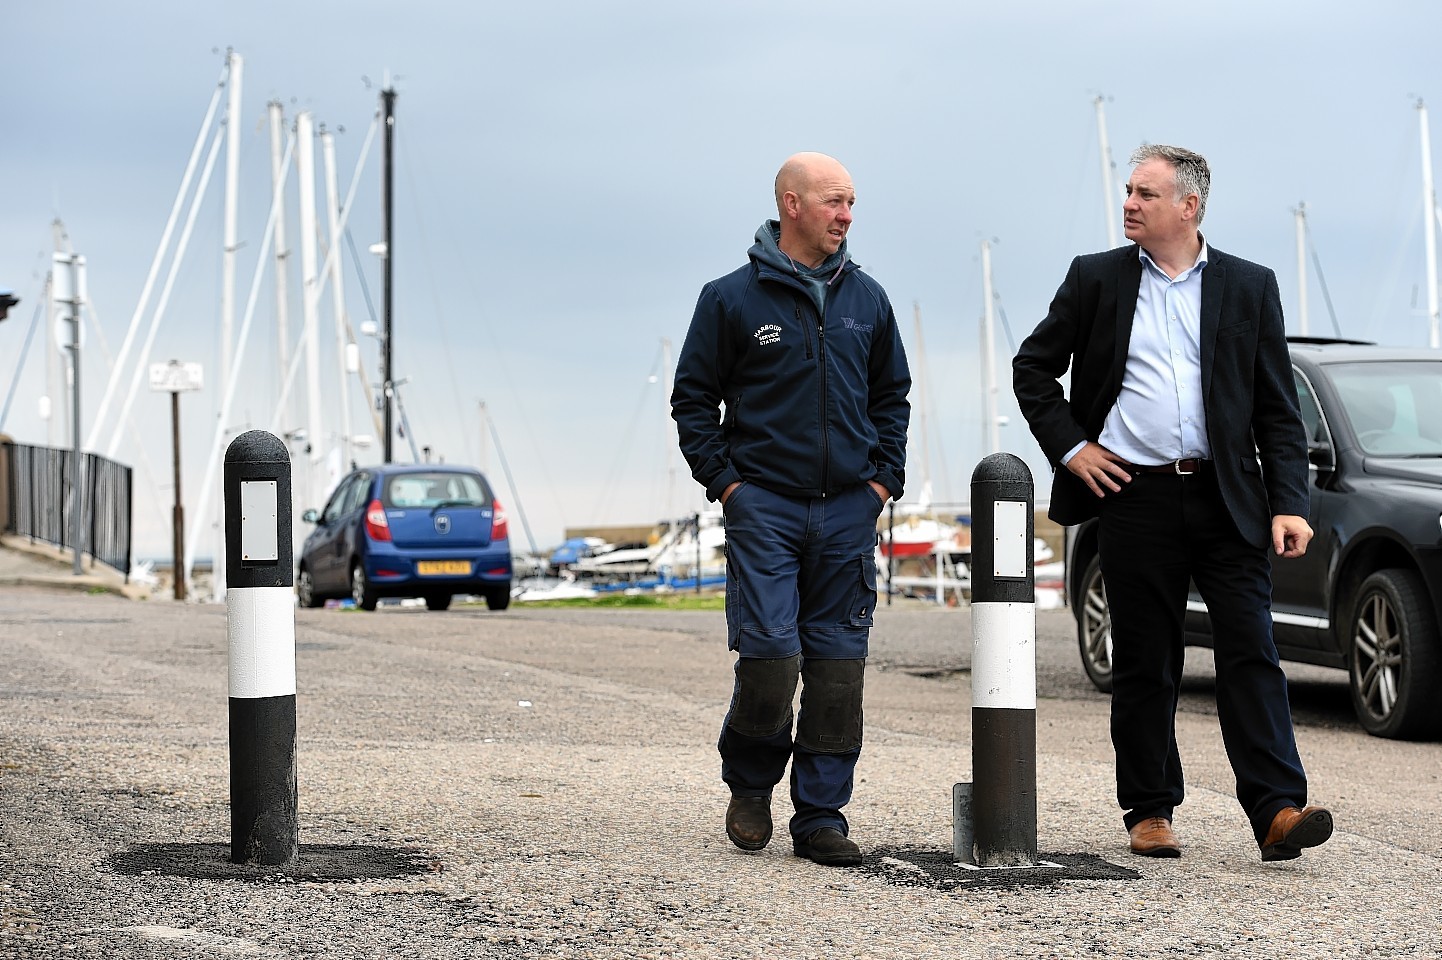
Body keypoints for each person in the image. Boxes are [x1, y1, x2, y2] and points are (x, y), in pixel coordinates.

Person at [1012, 144, 1333, 862]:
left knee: (1252, 651)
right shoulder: (1094, 279)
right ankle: (1150, 810)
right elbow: (1033, 369)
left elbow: (1278, 411)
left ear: (1189, 207)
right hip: (1133, 495)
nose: (1129, 203)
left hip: (1227, 498)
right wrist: (1073, 448)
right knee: (1146, 660)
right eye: (1128, 191)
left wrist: (1290, 502)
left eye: (1145, 194)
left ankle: (1278, 810)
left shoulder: (1250, 287)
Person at [671, 152, 910, 867]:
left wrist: (881, 483)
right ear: (792, 204)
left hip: (847, 509)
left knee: (839, 670)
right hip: (764, 507)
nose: (847, 216)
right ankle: (749, 784)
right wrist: (728, 485)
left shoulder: (868, 300)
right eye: (835, 202)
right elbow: (692, 401)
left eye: (852, 204)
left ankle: (821, 818)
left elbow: (891, 398)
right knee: (772, 660)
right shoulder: (730, 299)